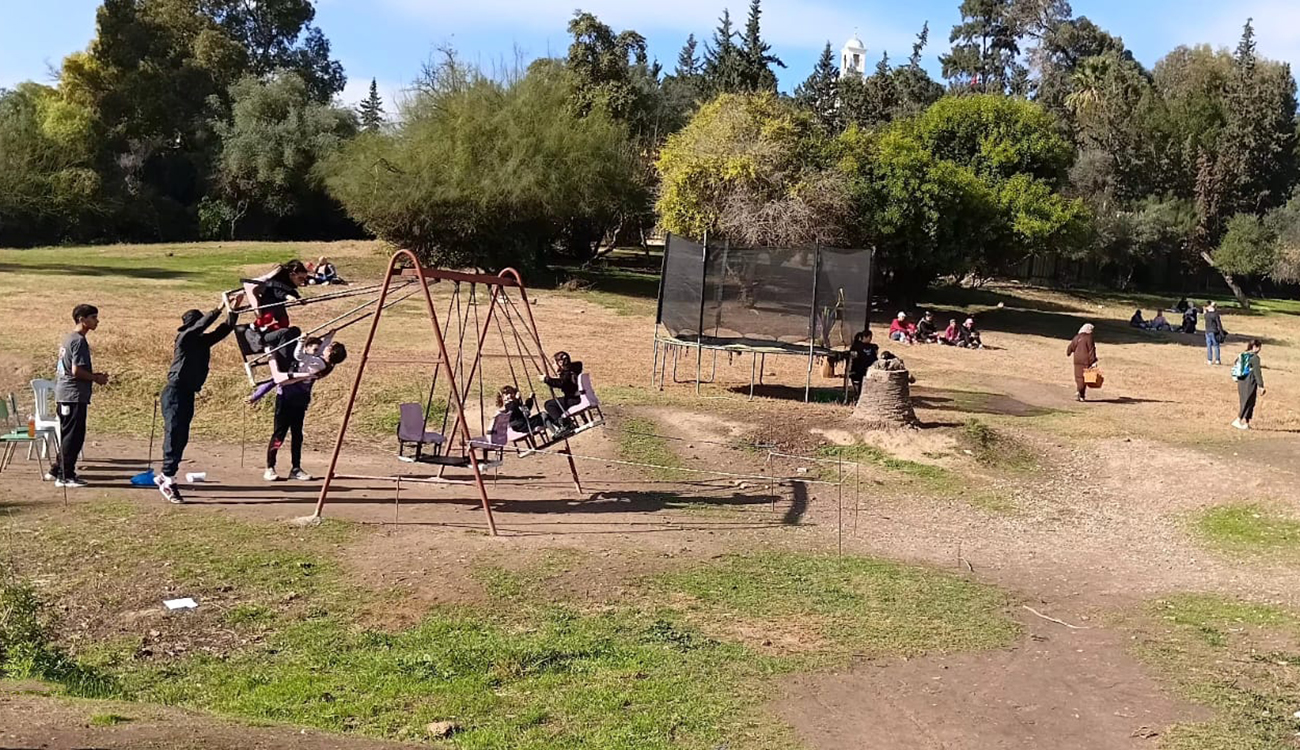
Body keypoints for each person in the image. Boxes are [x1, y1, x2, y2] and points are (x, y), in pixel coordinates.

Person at [156, 300, 241, 504]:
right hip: (174, 393)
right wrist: (219, 308)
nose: (201, 329)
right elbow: (200, 326)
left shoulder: (202, 342)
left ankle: (165, 474)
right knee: (174, 434)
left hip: (188, 393)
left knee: (182, 436)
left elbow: (224, 329)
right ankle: (168, 479)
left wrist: (233, 309)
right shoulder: (184, 339)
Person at [254, 337, 347, 482]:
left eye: (327, 349)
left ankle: (292, 468)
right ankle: (272, 467)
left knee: (293, 435)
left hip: (294, 400)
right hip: (288, 400)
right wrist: (330, 336)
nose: (322, 349)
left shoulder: (315, 363)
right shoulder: (323, 363)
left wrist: (301, 341)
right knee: (282, 435)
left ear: (330, 354)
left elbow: (280, 376)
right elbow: (277, 380)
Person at [52, 305, 109, 487]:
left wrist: (93, 375)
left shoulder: (69, 338)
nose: (97, 321)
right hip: (73, 395)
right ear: (82, 319)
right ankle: (65, 475)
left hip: (66, 394)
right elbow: (76, 371)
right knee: (73, 436)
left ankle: (57, 469)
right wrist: (96, 378)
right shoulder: (78, 341)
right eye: (93, 317)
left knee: (68, 434)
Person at [244, 260, 311, 373]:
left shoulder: (289, 284)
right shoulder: (276, 283)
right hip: (269, 304)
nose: (302, 282)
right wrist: (288, 297)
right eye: (300, 278)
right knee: (267, 318)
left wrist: (299, 299)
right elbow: (278, 292)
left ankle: (273, 333)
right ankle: (254, 327)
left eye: (304, 279)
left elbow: (291, 292)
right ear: (292, 275)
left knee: (285, 323)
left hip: (278, 307)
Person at [541, 351, 583, 429]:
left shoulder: (567, 374)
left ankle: (564, 425)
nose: (553, 365)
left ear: (560, 363)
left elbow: (561, 383)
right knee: (556, 405)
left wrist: (546, 379)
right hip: (578, 397)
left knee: (549, 404)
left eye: (553, 363)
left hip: (573, 400)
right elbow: (578, 364)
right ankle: (567, 422)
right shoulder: (574, 369)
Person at [1231, 340, 1265, 430]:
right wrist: (1261, 385)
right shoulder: (1255, 358)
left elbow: (1235, 364)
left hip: (1241, 380)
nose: (1259, 349)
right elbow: (1257, 372)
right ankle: (1238, 420)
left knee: (1246, 400)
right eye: (1259, 347)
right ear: (1254, 347)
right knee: (1248, 401)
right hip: (1250, 381)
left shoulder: (1242, 355)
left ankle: (1246, 423)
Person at [1066, 323, 1099, 402]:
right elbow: (1091, 350)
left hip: (1077, 360)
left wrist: (1068, 353)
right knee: (1084, 378)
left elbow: (1071, 347)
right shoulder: (1089, 338)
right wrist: (1093, 361)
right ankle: (1081, 393)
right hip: (1086, 360)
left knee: (1078, 377)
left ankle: (1080, 393)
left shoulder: (1077, 337)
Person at [847, 330, 879, 396]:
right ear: (864, 337)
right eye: (870, 337)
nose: (871, 339)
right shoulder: (856, 346)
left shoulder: (872, 347)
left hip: (870, 369)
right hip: (859, 369)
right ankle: (858, 394)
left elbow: (875, 358)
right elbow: (853, 358)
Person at [1204, 301, 1225, 366]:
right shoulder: (1215, 314)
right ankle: (1217, 360)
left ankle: (1209, 360)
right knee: (1216, 345)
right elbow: (1219, 324)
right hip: (1214, 331)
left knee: (1209, 346)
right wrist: (1221, 332)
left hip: (1207, 331)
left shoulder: (1206, 315)